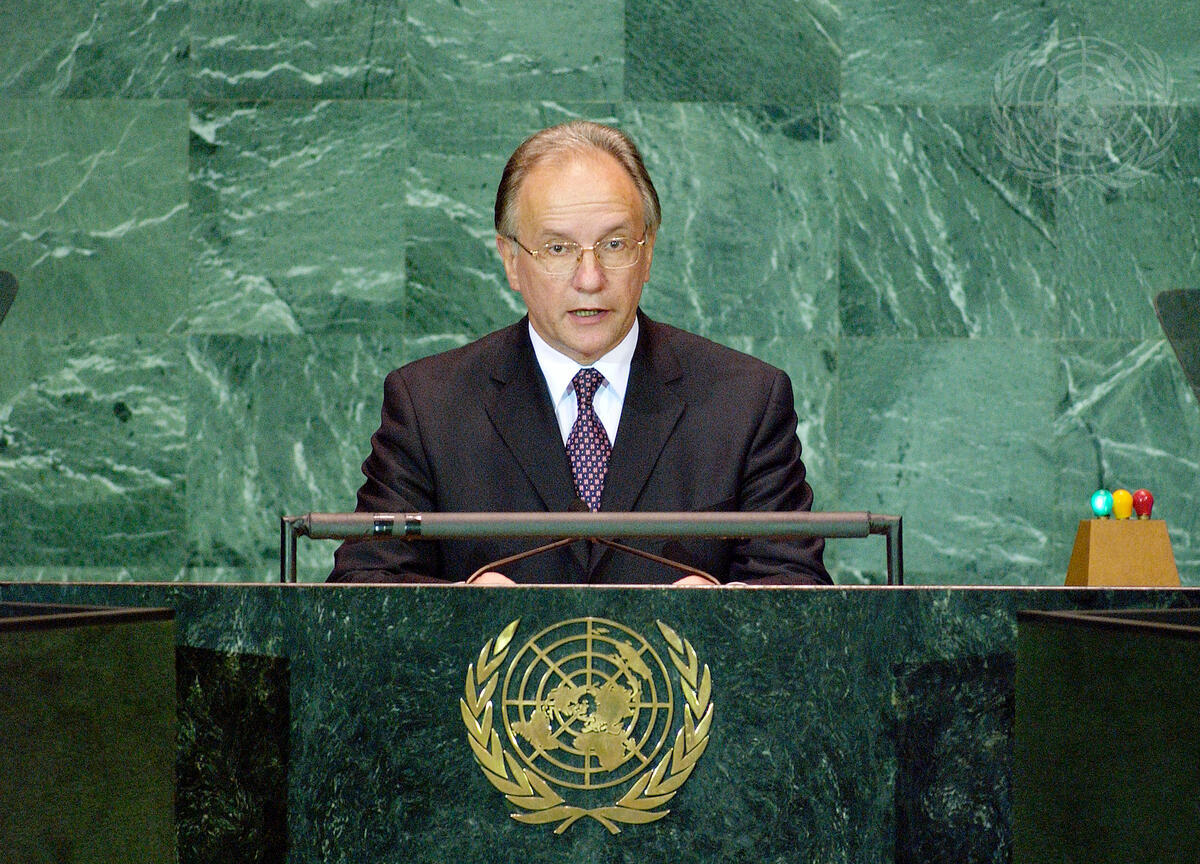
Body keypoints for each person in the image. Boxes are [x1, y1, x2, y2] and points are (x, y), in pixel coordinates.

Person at [328, 121, 831, 586]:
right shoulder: (429, 406)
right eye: (558, 249)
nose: (590, 279)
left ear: (648, 253)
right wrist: (461, 613)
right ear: (510, 261)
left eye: (614, 244)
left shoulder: (745, 401)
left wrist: (723, 615)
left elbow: (798, 589)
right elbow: (361, 589)